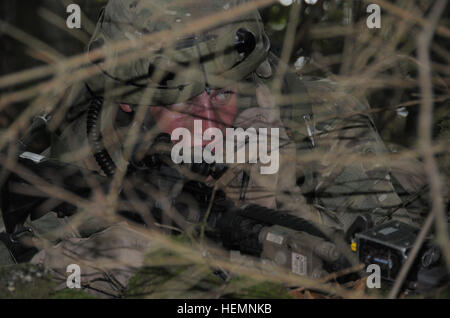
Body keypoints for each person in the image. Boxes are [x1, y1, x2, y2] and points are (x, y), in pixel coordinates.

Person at [0, 0, 431, 297]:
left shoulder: (314, 115)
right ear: (129, 100)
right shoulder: (82, 135)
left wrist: (272, 204)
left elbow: (385, 254)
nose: (209, 118)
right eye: (185, 104)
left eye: (223, 93)